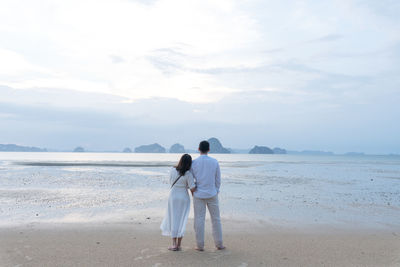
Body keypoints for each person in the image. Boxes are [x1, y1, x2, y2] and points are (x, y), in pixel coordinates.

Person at [191, 140, 225, 251]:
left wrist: (193, 191)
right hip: (212, 193)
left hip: (199, 194)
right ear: (209, 149)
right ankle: (219, 244)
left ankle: (200, 246)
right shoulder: (214, 162)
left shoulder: (194, 162)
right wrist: (216, 190)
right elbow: (218, 179)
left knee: (199, 220)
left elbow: (191, 180)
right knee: (216, 219)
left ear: (198, 149)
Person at [160, 154, 196, 251]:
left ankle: (173, 244)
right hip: (183, 197)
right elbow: (192, 188)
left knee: (173, 219)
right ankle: (179, 245)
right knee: (181, 220)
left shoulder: (172, 170)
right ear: (189, 163)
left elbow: (170, 182)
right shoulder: (188, 174)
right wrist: (195, 199)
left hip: (173, 196)